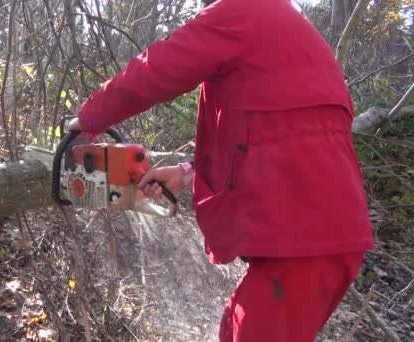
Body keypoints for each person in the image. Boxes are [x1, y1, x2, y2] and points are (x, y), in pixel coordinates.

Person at [67, 0, 375, 340]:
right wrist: (189, 173)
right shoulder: (284, 32)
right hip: (316, 231)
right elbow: (271, 133)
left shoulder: (243, 11)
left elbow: (155, 70)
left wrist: (89, 118)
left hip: (304, 234)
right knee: (236, 326)